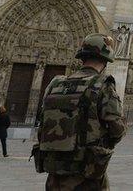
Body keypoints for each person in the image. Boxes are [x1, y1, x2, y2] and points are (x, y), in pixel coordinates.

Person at [35, 34, 126, 189]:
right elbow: (117, 129)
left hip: (54, 169)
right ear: (105, 60)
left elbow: (42, 125)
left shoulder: (55, 84)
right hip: (85, 171)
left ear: (82, 57)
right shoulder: (102, 85)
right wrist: (103, 144)